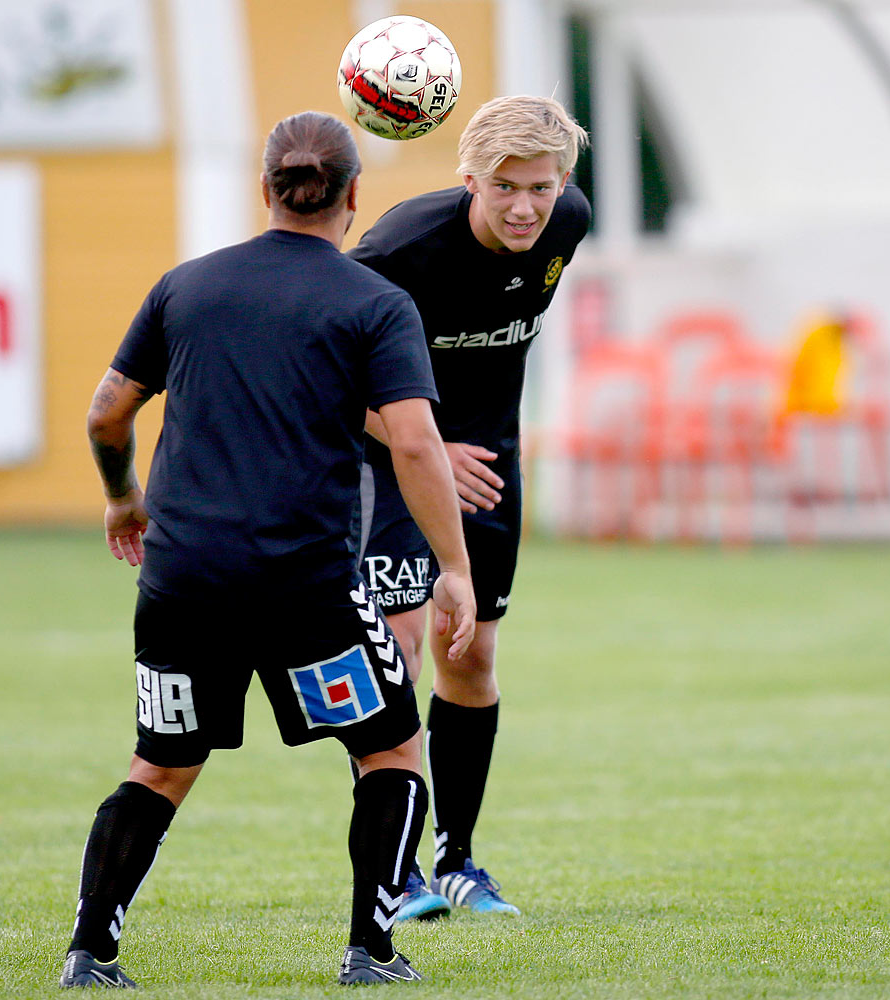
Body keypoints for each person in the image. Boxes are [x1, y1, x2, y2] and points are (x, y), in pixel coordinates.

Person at [60, 110, 476, 989]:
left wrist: (121, 497)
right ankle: (372, 949)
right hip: (306, 587)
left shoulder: (187, 287)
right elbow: (411, 443)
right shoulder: (374, 303)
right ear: (355, 195)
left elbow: (105, 413)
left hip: (182, 580)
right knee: (393, 750)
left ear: (266, 191)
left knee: (161, 765)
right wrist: (454, 568)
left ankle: (89, 952)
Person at [347, 95, 590, 919]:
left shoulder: (568, 223)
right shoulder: (396, 249)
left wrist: (464, 453)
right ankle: (397, 871)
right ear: (467, 179)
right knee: (399, 649)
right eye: (504, 187)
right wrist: (426, 448)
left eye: (541, 187)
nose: (525, 206)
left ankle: (458, 861)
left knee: (472, 657)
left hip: (489, 466)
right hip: (389, 461)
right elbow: (332, 381)